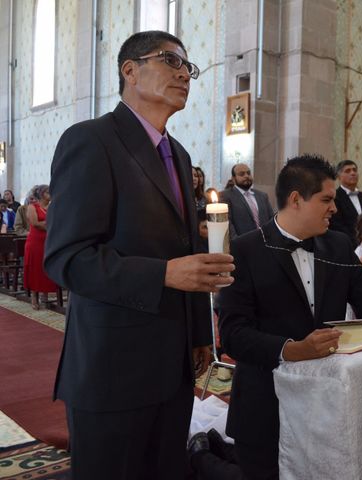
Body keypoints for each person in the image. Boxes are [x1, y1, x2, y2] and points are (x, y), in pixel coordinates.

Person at [44, 30, 235, 480]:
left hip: (173, 364)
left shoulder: (181, 155)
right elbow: (67, 258)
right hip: (113, 365)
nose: (184, 74)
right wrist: (164, 275)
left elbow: (184, 252)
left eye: (189, 67)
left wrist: (199, 335)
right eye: (171, 61)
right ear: (130, 70)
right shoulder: (91, 140)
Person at [217, 154, 362, 480]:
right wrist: (293, 349)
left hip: (324, 404)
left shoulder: (338, 246)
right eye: (326, 199)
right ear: (296, 199)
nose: (335, 208)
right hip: (264, 404)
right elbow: (233, 334)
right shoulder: (245, 250)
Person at [220, 163, 274, 239]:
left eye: (248, 173)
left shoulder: (262, 196)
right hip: (242, 244)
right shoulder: (226, 196)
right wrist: (237, 243)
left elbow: (271, 219)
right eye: (241, 174)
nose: (246, 176)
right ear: (233, 179)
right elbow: (228, 223)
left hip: (266, 243)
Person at [24, 185, 57, 309]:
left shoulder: (52, 208)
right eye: (48, 192)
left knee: (46, 267)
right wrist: (50, 224)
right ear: (42, 194)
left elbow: (57, 222)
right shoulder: (32, 207)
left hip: (48, 242)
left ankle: (45, 296)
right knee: (35, 269)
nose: (51, 194)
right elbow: (35, 223)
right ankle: (34, 297)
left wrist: (48, 224)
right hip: (35, 243)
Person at [329, 159, 362, 247]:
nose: (353, 173)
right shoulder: (334, 197)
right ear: (339, 176)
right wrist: (358, 241)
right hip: (346, 245)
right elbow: (336, 225)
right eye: (348, 171)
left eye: (354, 170)